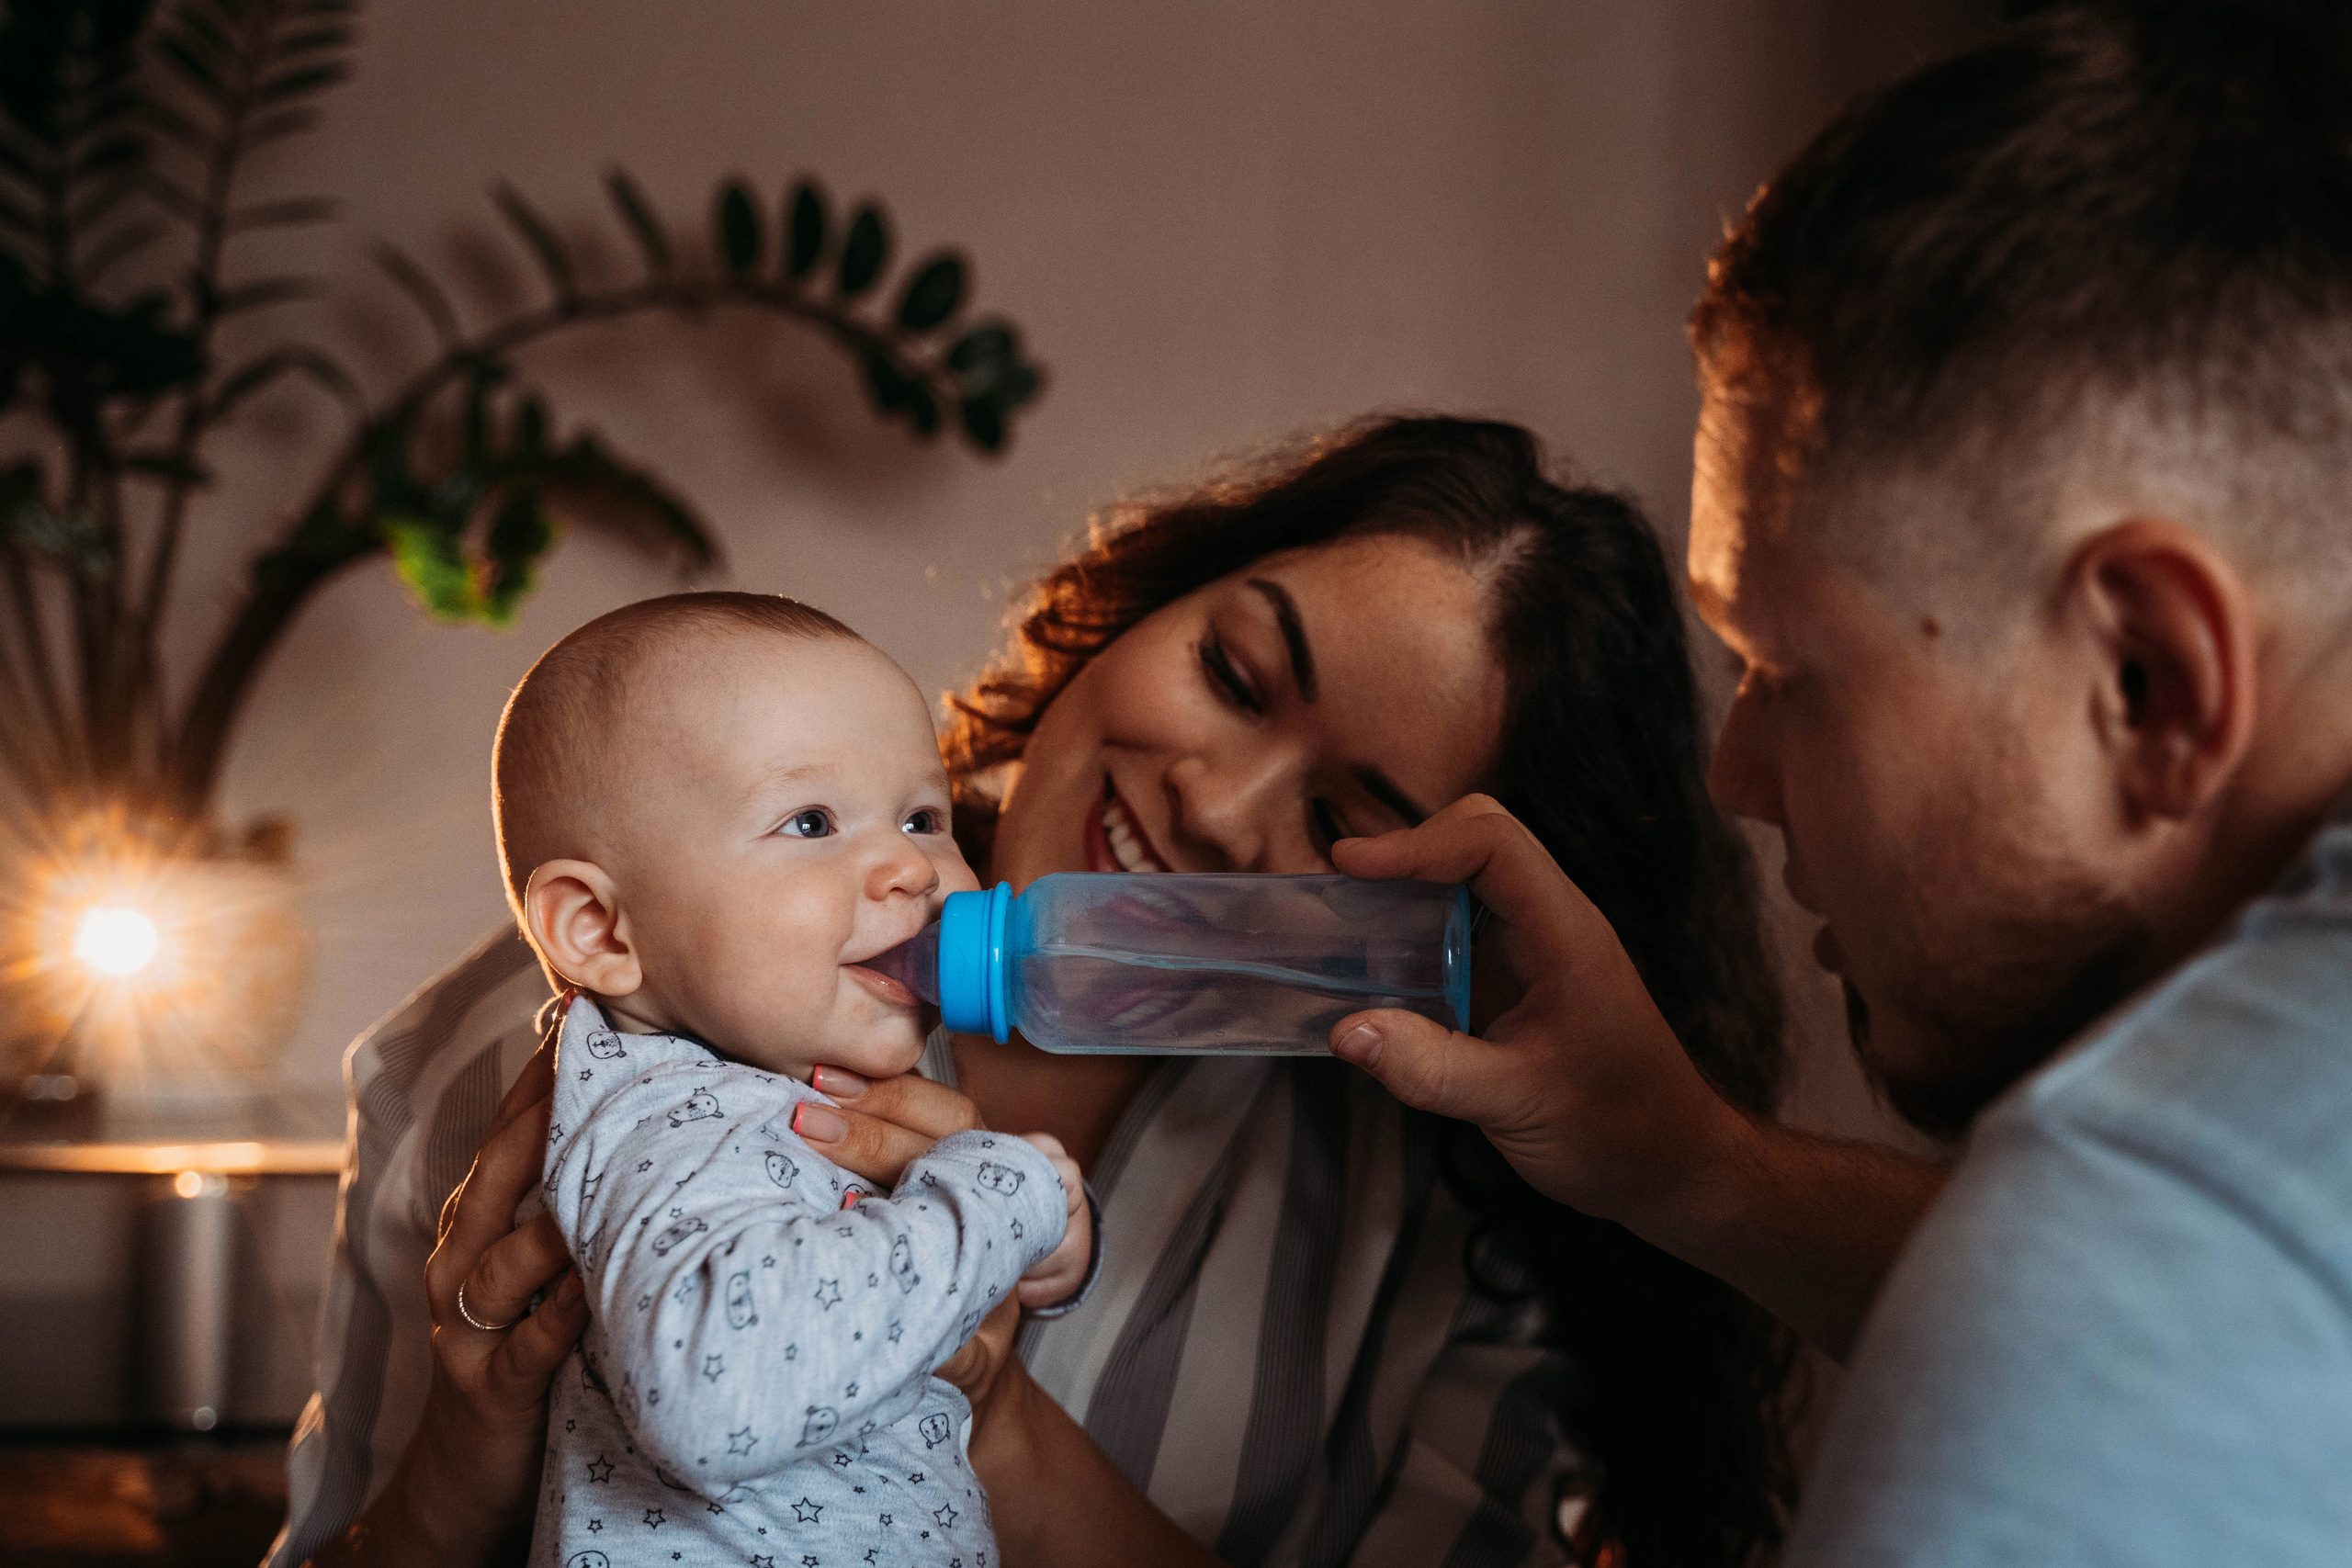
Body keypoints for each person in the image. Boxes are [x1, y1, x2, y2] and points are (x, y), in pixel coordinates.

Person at [274, 415, 1799, 1568]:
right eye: (1236, 676)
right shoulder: (572, 1027)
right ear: (1138, 607)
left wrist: (987, 1413)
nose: (1217, 801)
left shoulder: (1452, 1207)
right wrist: (458, 1468)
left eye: (1344, 819)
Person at [1321, 4, 2352, 1562]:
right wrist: (1693, 1164)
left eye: (1789, 670)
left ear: (2150, 678)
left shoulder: (2153, 1229)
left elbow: (2155, 1299)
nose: (1738, 774)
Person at [492, 593, 1093, 1568]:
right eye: (811, 822)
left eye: (922, 815)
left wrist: (1052, 1232)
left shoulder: (773, 1080)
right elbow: (709, 1401)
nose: (909, 866)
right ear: (602, 931)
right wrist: (1001, 1193)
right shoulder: (673, 1132)